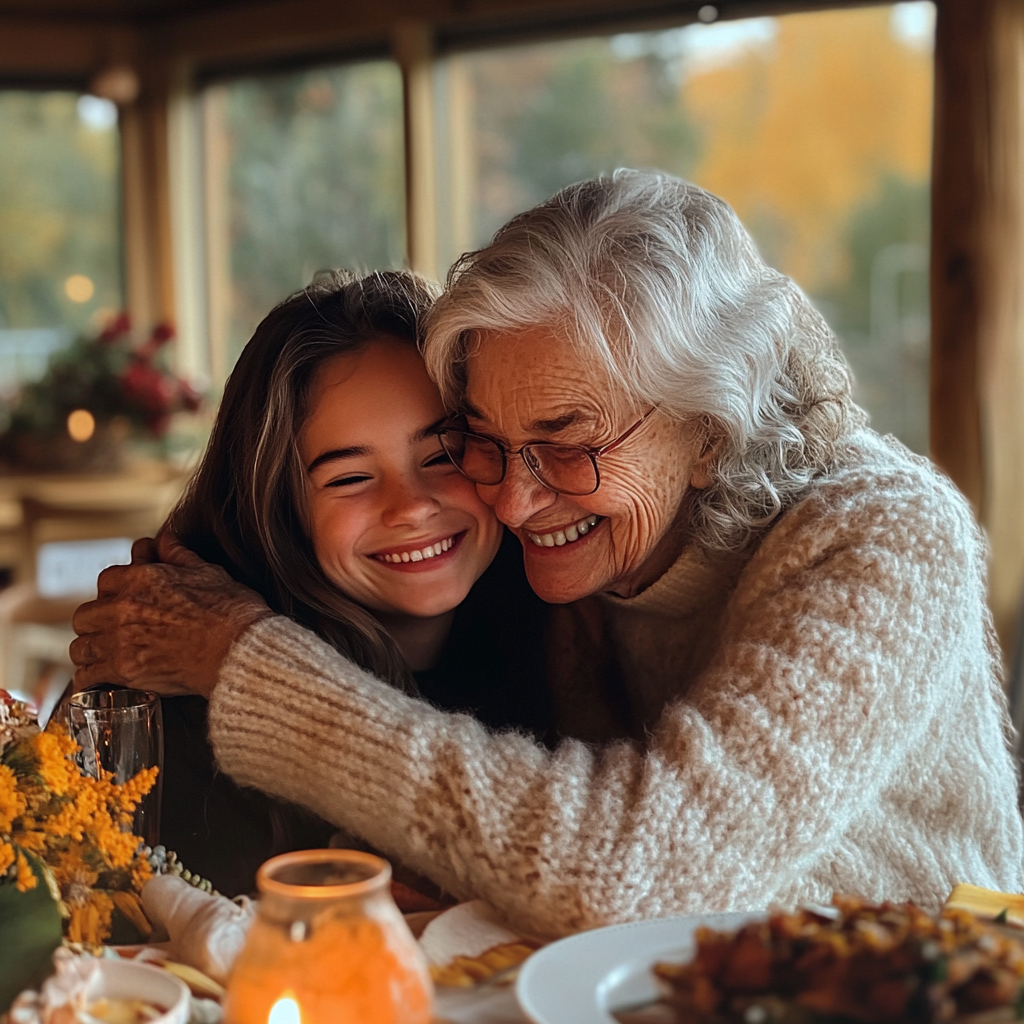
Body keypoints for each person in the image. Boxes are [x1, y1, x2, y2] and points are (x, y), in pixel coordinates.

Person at [72, 171, 1024, 936]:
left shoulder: (880, 538)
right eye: (481, 437)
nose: (514, 499)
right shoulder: (574, 561)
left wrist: (245, 660)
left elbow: (628, 873)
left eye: (567, 443)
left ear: (709, 430)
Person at [116, 270, 552, 895]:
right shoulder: (187, 731)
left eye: (442, 456)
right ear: (278, 510)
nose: (410, 506)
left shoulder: (563, 636)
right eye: (349, 478)